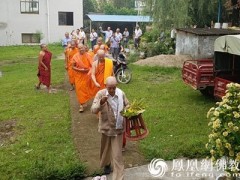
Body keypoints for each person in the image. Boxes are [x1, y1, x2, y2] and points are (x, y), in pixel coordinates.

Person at [91, 76, 129, 180]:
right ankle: (107, 164)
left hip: (118, 128)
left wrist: (127, 109)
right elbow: (93, 110)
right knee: (105, 149)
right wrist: (101, 102)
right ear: (105, 86)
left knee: (117, 155)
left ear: (116, 86)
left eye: (113, 88)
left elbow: (127, 105)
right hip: (106, 128)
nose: (111, 90)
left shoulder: (121, 94)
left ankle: (118, 177)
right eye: (109, 88)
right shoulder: (101, 94)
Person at [72, 44, 92, 112]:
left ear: (84, 47)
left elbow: (92, 66)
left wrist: (87, 70)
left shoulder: (88, 55)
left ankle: (85, 101)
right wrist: (79, 70)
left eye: (82, 48)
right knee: (79, 90)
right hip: (78, 76)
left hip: (87, 75)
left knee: (86, 89)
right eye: (79, 48)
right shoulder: (75, 56)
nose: (81, 49)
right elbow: (73, 66)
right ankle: (81, 104)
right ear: (78, 49)